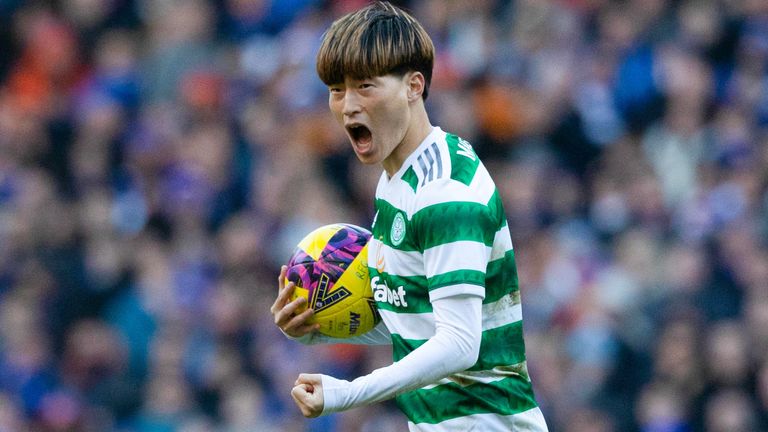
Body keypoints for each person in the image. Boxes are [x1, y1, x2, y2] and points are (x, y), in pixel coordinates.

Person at [270, 2, 549, 430]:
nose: (347, 106)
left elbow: (458, 343)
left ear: (414, 86)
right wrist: (315, 328)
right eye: (337, 90)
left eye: (365, 86)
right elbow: (417, 317)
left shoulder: (445, 192)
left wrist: (348, 393)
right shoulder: (397, 181)